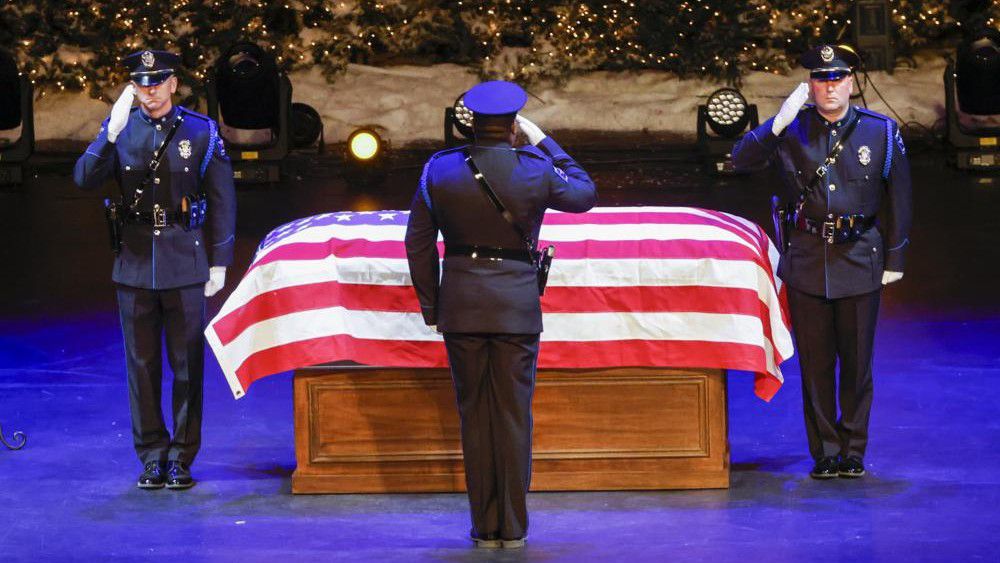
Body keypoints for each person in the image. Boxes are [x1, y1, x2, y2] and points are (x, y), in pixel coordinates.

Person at [405, 81, 597, 548]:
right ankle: (513, 528)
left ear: (469, 123)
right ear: (514, 126)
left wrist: (433, 306)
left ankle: (482, 526)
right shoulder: (534, 167)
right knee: (512, 417)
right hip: (514, 308)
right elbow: (585, 193)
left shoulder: (440, 170)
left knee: (474, 416)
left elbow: (418, 243)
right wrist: (545, 142)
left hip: (462, 307)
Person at [732, 44, 912, 480]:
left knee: (856, 364)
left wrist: (896, 256)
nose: (829, 86)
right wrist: (777, 123)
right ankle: (826, 452)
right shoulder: (792, 129)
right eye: (820, 79)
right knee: (815, 368)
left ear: (851, 82)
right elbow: (741, 160)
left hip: (860, 256)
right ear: (809, 85)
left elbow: (900, 198)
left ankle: (853, 450)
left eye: (837, 78)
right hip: (809, 259)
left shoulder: (881, 132)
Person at [74, 50, 236, 490]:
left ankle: (182, 456)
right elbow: (84, 178)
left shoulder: (200, 132)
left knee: (187, 366)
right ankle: (151, 455)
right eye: (140, 82)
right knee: (141, 367)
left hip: (184, 259)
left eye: (157, 81)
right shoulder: (122, 127)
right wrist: (110, 131)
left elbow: (221, 198)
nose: (149, 90)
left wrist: (219, 260)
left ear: (173, 84)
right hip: (134, 262)